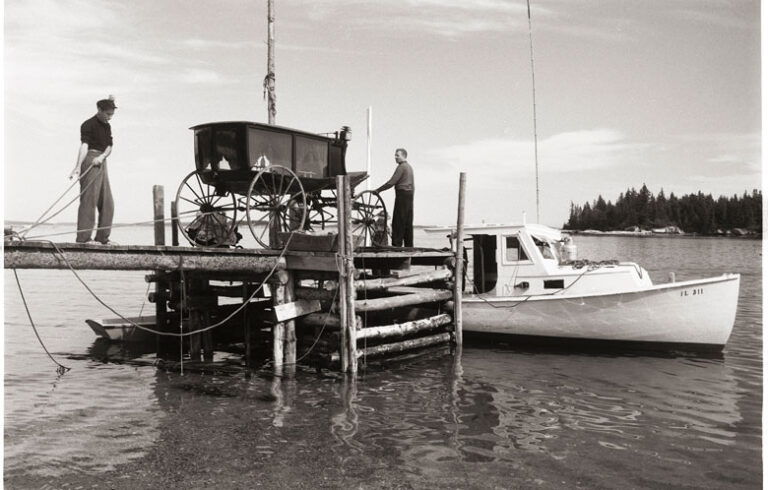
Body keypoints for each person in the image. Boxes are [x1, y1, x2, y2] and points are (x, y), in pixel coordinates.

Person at [70, 96, 117, 244]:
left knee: (108, 202)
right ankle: (83, 239)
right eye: (108, 114)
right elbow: (84, 146)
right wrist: (77, 166)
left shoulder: (107, 126)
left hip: (101, 161)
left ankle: (103, 238)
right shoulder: (88, 125)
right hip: (90, 160)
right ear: (99, 110)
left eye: (112, 114)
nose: (110, 117)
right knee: (89, 200)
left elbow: (109, 146)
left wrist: (102, 157)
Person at [375, 148, 414, 247]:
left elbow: (391, 182)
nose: (395, 157)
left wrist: (378, 190)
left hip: (402, 194)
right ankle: (409, 246)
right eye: (395, 155)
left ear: (404, 156)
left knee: (398, 221)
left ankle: (396, 245)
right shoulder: (409, 167)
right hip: (409, 195)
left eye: (397, 155)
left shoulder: (402, 167)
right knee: (407, 222)